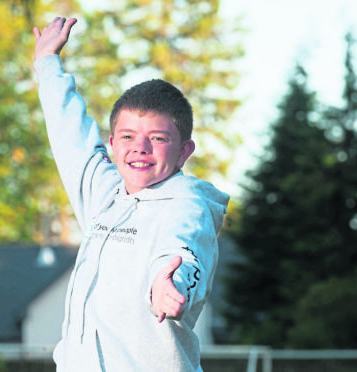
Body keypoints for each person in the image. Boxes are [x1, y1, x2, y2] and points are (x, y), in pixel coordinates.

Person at [32, 16, 229, 372]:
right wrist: (47, 64)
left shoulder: (187, 205)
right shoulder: (103, 196)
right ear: (112, 144)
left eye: (157, 138)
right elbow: (69, 135)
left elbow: (183, 247)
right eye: (127, 136)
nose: (139, 148)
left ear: (184, 150)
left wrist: (169, 283)